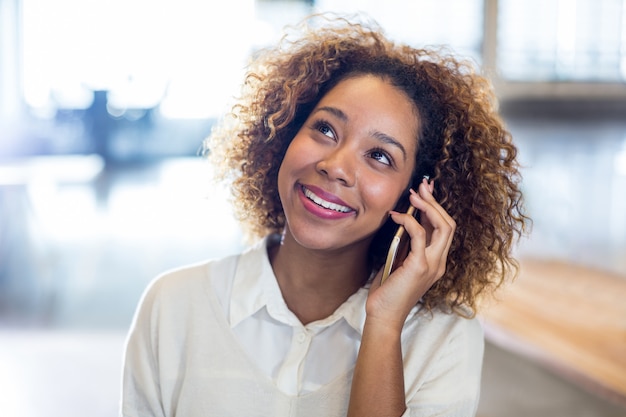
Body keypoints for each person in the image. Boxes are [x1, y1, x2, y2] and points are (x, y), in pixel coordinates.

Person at [120, 13, 528, 417]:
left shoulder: (443, 338)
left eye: (379, 156)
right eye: (326, 130)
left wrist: (384, 325)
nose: (335, 165)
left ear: (416, 196)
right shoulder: (172, 306)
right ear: (284, 136)